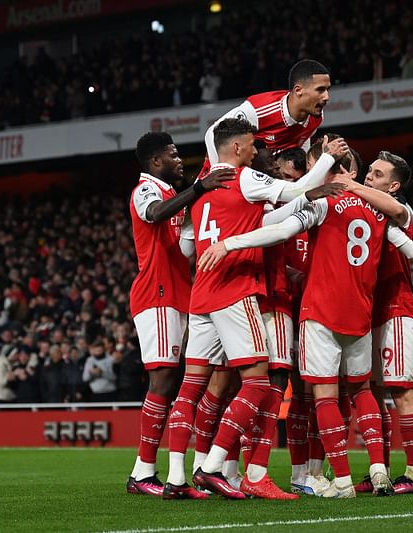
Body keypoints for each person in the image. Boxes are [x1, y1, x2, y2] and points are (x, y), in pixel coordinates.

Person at [197, 151, 413, 498]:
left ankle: (343, 480)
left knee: (325, 395)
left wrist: (229, 241)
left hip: (321, 312)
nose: (367, 178)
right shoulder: (380, 212)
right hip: (361, 316)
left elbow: (280, 230)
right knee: (363, 392)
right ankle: (378, 467)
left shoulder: (327, 203)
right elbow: (411, 249)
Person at [165, 118, 349, 500]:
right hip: (236, 290)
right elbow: (296, 188)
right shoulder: (242, 178)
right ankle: (214, 466)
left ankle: (176, 477)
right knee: (259, 382)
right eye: (251, 145)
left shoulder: (201, 192)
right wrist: (327, 159)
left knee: (190, 390)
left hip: (201, 293)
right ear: (236, 148)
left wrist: (306, 201)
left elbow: (256, 222)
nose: (257, 152)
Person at [124, 131, 233, 498]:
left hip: (175, 294)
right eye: (172, 155)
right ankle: (143, 471)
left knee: (170, 382)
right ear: (156, 162)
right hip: (155, 294)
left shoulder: (173, 195)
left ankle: (145, 470)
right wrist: (201, 188)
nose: (177, 161)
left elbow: (183, 246)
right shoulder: (146, 190)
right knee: (163, 383)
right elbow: (153, 214)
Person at [350, 151, 413, 495]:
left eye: (377, 174)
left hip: (397, 311)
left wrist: (346, 183)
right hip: (369, 313)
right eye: (368, 172)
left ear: (393, 185)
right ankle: (378, 470)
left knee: (402, 392)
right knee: (375, 393)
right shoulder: (365, 209)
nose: (369, 176)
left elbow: (397, 212)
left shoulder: (402, 210)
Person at [204, 59, 330, 164]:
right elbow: (212, 132)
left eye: (327, 89)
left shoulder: (316, 117)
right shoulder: (257, 110)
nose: (326, 97)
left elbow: (303, 141)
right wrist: (220, 171)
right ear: (298, 91)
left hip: (263, 182)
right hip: (224, 179)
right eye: (320, 90)